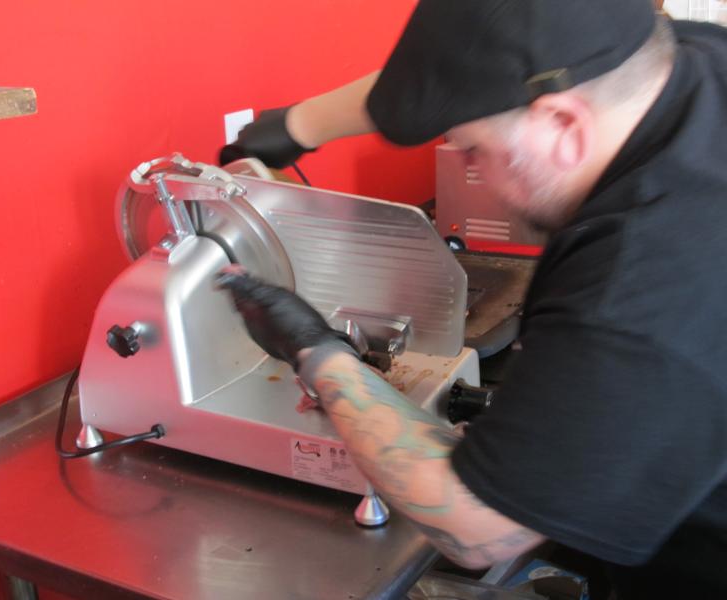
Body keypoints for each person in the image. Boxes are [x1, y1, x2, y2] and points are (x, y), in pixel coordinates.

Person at [217, 1, 727, 597]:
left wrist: (316, 351)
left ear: (563, 125)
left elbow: (475, 528)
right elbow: (459, 67)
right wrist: (299, 126)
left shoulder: (638, 286)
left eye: (474, 151)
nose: (470, 170)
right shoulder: (678, 58)